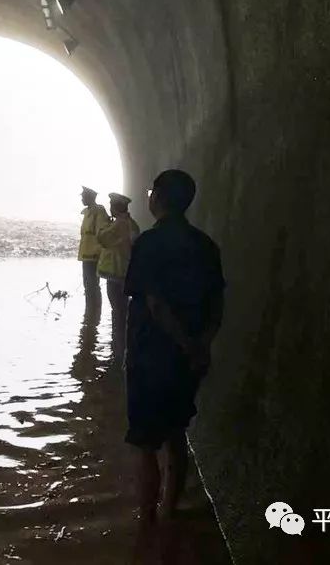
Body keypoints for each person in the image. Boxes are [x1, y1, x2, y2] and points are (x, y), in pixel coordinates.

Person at [123, 169, 225, 523]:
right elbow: (217, 305)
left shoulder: (149, 243)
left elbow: (154, 304)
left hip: (151, 354)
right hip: (188, 360)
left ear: (158, 198)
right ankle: (171, 511)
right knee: (176, 433)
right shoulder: (207, 245)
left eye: (151, 191)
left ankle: (147, 521)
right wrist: (200, 346)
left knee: (146, 443)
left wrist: (181, 342)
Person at [97, 192, 141, 316]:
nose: (110, 208)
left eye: (111, 205)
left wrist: (103, 225)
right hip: (125, 273)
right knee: (123, 309)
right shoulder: (132, 224)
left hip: (115, 273)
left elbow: (102, 239)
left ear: (116, 207)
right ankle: (123, 334)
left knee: (117, 311)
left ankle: (118, 335)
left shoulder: (118, 224)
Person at [78, 186, 110, 317]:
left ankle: (94, 314)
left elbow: (102, 234)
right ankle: (90, 313)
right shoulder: (87, 213)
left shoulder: (99, 212)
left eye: (83, 197)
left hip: (94, 255)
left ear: (90, 197)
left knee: (92, 285)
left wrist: (99, 253)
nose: (81, 199)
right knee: (88, 284)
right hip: (86, 254)